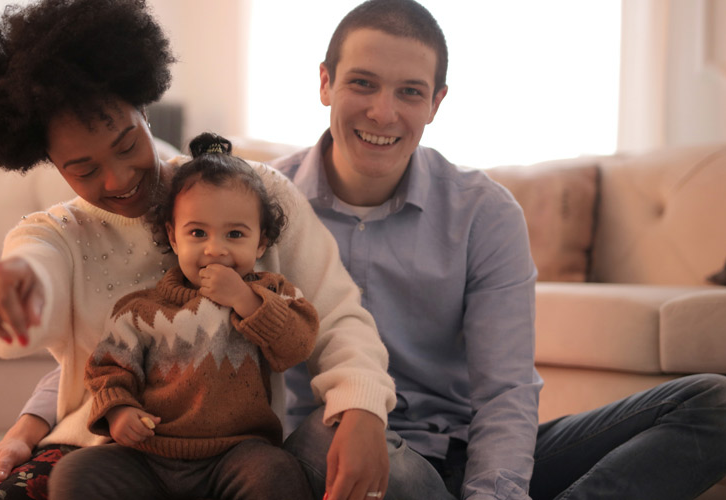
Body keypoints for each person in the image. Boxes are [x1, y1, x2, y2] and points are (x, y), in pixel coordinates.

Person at [271, 1, 726, 499]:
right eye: (362, 83)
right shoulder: (261, 204)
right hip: (339, 445)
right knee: (331, 431)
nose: (384, 111)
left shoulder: (484, 212)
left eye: (410, 92)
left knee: (713, 403)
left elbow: (505, 391)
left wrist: (494, 492)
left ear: (436, 103)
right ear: (324, 83)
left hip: (462, 447)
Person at [0, 1, 394, 500]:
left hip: (238, 452)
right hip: (110, 451)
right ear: (50, 163)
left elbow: (333, 319)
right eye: (84, 168)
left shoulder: (250, 194)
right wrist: (18, 280)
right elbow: (43, 277)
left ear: (145, 108)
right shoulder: (59, 235)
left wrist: (361, 405)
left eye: (126, 144)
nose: (118, 179)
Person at [48, 132, 317, 499]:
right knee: (77, 473)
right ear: (174, 239)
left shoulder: (270, 294)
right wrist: (119, 412)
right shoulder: (142, 310)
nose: (215, 249)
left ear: (262, 242)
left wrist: (246, 300)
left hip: (238, 455)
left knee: (277, 473)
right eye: (198, 233)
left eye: (235, 234)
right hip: (149, 457)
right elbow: (107, 369)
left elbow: (298, 344)